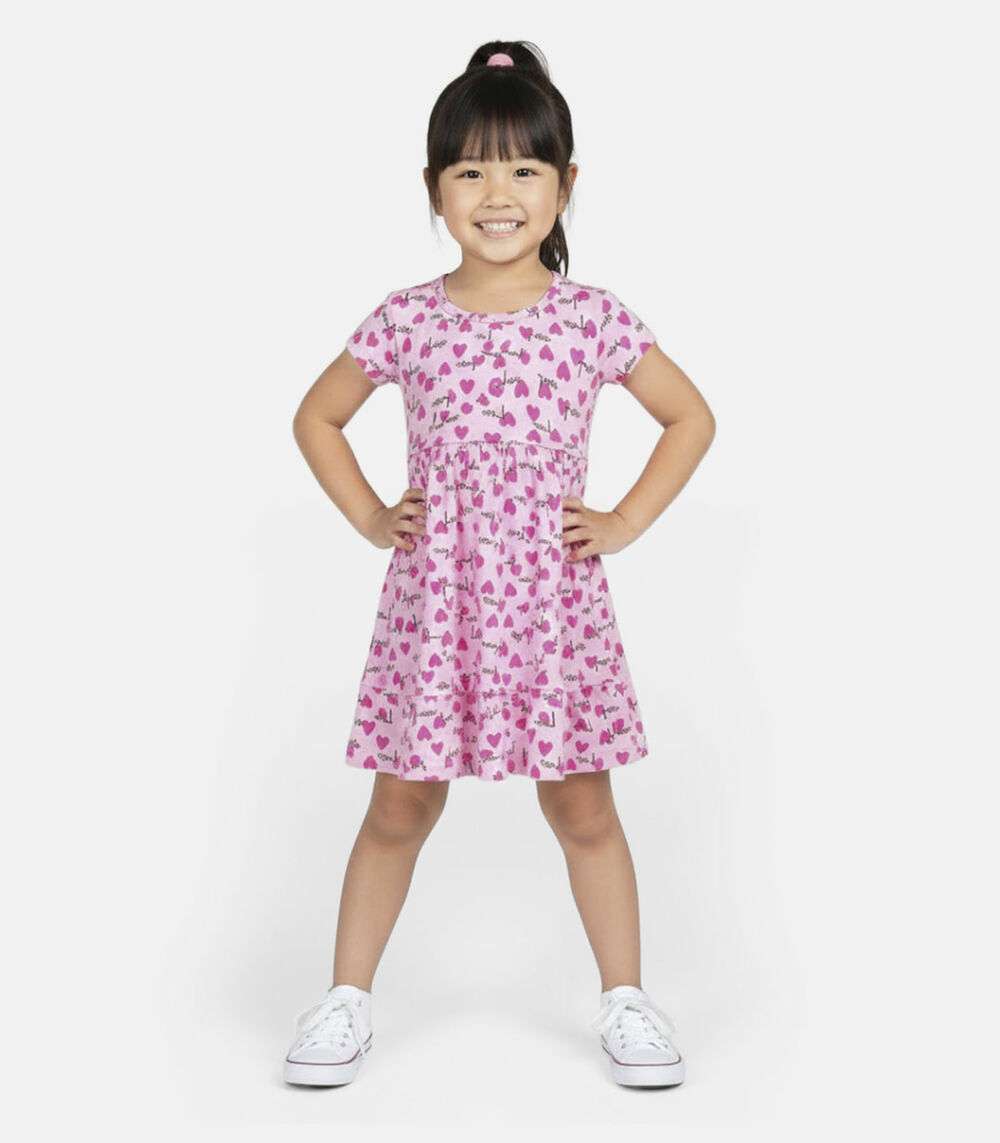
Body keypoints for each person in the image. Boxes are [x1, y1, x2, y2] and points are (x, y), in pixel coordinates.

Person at [284, 40, 716, 1090]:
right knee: (399, 806)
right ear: (433, 188)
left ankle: (626, 1000)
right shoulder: (407, 317)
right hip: (436, 606)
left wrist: (623, 520)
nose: (497, 193)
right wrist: (371, 515)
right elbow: (317, 417)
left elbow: (690, 418)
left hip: (552, 609)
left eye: (524, 168)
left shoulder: (593, 318)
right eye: (470, 169)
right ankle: (345, 1001)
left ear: (566, 184)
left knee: (582, 809)